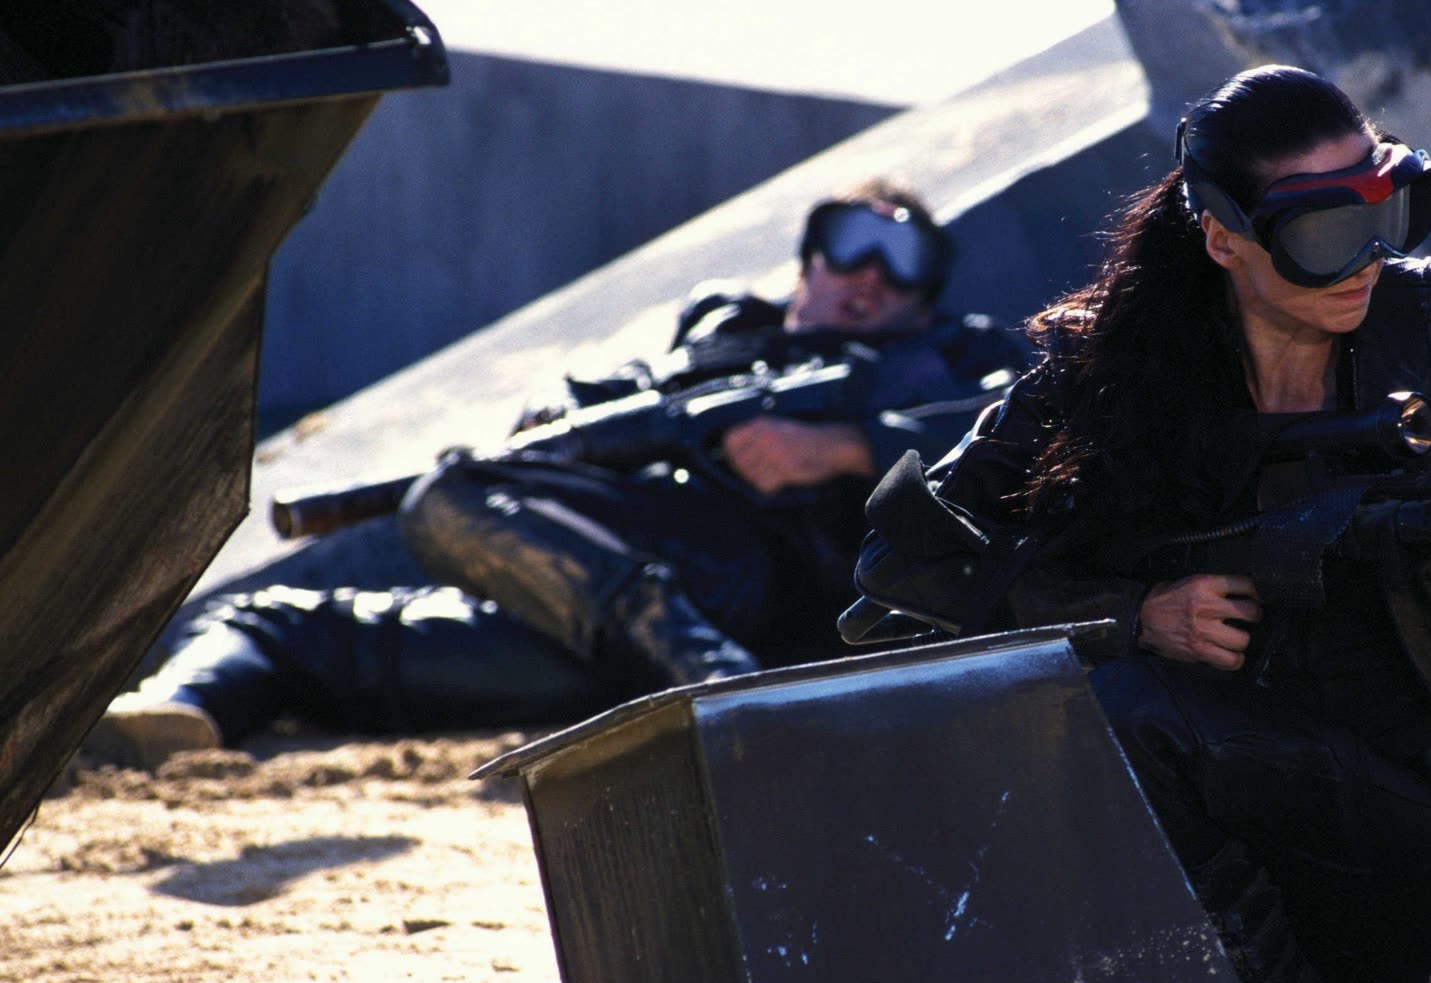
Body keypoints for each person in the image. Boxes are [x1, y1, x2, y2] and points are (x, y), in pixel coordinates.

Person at [851, 68, 1431, 983]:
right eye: (1326, 231)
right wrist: (1132, 613)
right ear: (1224, 237)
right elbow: (902, 556)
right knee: (1129, 711)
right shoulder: (1103, 367)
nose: (1367, 258)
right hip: (1252, 842)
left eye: (1390, 207)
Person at [88, 179, 1029, 770]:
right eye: (850, 244)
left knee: (446, 496)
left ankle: (715, 680)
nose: (870, 276)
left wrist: (851, 448)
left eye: (904, 260)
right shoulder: (714, 342)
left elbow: (1013, 436)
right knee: (274, 621)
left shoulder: (953, 357)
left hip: (751, 588)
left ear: (927, 294)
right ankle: (182, 713)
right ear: (806, 264)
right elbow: (598, 401)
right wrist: (555, 420)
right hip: (604, 615)